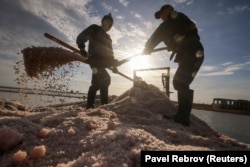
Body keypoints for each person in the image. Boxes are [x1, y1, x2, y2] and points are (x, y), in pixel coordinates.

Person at [143, 4, 204, 126]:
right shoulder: (179, 22)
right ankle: (183, 116)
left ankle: (183, 117)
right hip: (195, 52)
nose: (161, 18)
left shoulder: (172, 20)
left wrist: (147, 48)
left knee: (180, 82)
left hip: (192, 51)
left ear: (169, 10)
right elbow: (182, 33)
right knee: (181, 82)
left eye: (162, 14)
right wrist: (174, 44)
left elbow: (157, 35)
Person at [76, 13, 119, 109]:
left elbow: (110, 54)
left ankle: (89, 106)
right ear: (102, 21)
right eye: (106, 22)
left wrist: (114, 66)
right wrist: (82, 48)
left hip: (103, 62)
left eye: (110, 24)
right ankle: (104, 106)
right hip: (94, 59)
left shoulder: (108, 38)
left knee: (96, 84)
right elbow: (81, 37)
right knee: (106, 79)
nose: (108, 25)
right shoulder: (94, 29)